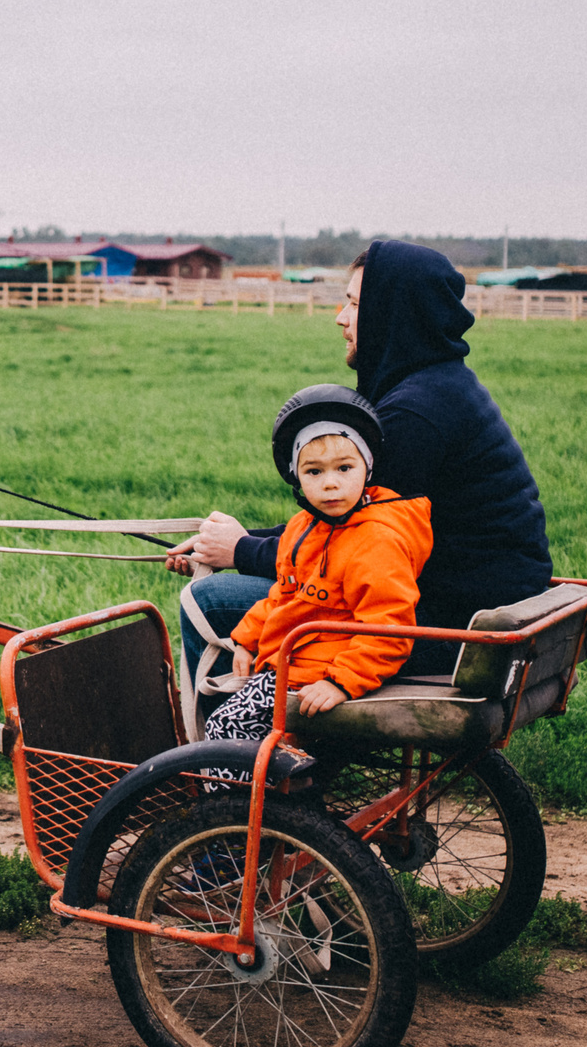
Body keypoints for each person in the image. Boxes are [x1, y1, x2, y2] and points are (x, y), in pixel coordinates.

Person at [171, 239, 553, 695]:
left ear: (393, 315)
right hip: (461, 601)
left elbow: (351, 551)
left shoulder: (414, 415)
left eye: (354, 303)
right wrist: (235, 542)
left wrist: (241, 551)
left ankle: (227, 752)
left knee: (208, 600)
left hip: (451, 625)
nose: (340, 316)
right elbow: (335, 524)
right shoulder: (438, 386)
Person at [199, 387, 433, 745]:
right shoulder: (303, 528)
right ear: (296, 476)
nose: (331, 483)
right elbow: (285, 595)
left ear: (367, 468)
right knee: (226, 712)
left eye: (344, 467)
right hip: (292, 664)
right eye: (314, 471)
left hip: (321, 672)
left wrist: (340, 682)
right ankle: (276, 794)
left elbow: (390, 627)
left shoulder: (376, 541)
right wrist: (246, 638)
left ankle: (240, 802)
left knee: (225, 728)